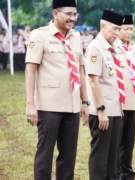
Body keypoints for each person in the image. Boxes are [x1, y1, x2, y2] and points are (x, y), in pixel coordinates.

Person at [24, 0, 89, 179]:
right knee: (45, 154)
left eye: (74, 14)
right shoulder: (40, 36)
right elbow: (30, 71)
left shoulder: (76, 36)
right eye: (68, 14)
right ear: (55, 13)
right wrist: (30, 104)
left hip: (72, 106)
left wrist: (84, 102)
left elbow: (80, 70)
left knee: (69, 156)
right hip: (48, 106)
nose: (73, 18)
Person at [84, 10, 125, 180]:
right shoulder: (95, 48)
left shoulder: (112, 48)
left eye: (119, 29)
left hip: (115, 108)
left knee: (113, 155)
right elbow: (93, 81)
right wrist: (101, 110)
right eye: (114, 29)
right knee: (100, 154)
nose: (117, 33)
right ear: (103, 26)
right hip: (102, 110)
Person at [114, 14, 135, 180]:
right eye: (125, 29)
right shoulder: (112, 46)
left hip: (132, 100)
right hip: (117, 101)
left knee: (128, 142)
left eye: (131, 29)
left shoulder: (134, 47)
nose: (128, 32)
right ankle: (115, 172)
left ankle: (127, 173)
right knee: (116, 142)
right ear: (117, 29)